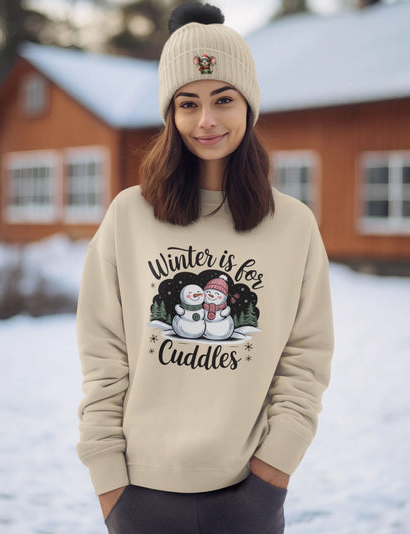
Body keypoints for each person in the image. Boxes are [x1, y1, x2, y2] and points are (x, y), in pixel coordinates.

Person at [76, 3, 334, 533]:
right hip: (139, 495)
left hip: (248, 495)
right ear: (170, 114)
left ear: (249, 106)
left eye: (223, 99)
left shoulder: (293, 225)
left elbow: (305, 360)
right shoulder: (129, 215)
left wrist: (272, 474)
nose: (207, 120)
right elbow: (102, 356)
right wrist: (110, 487)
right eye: (188, 103)